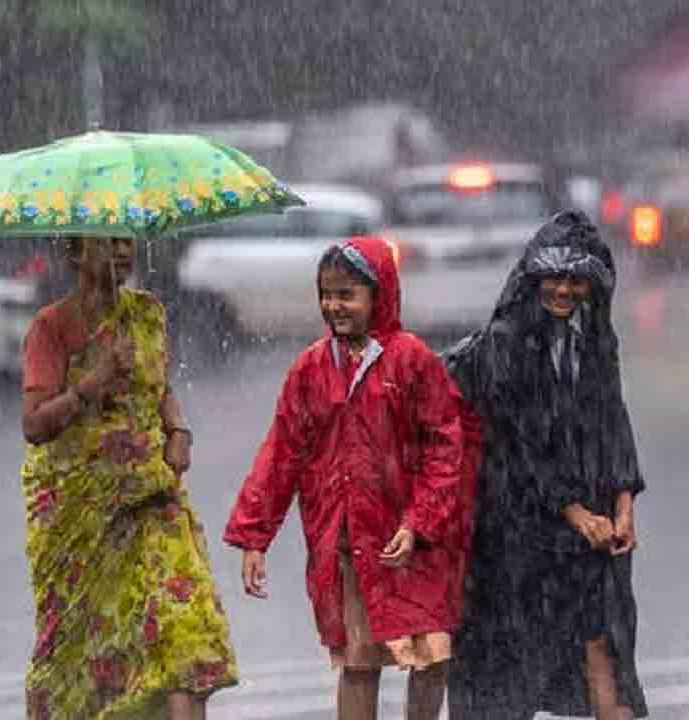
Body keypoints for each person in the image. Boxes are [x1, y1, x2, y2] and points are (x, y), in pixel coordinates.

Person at [223, 236, 467, 720]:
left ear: (380, 295)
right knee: (358, 662)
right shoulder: (311, 369)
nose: (333, 306)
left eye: (346, 294)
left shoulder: (411, 359)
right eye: (326, 294)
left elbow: (445, 447)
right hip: (350, 545)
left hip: (416, 544)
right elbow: (281, 454)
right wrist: (255, 536)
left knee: (430, 656)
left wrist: (419, 521)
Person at [19, 235, 238, 719]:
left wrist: (178, 428)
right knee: (78, 651)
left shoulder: (147, 313)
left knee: (186, 629)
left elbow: (158, 386)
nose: (121, 252)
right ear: (75, 253)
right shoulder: (51, 328)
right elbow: (35, 424)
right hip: (79, 515)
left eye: (126, 241)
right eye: (106, 243)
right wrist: (91, 385)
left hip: (152, 497)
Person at [444, 210, 647, 720]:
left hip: (591, 528)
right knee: (514, 664)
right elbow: (519, 443)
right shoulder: (507, 342)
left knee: (605, 643)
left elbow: (612, 421)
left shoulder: (597, 336)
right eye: (554, 278)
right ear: (534, 278)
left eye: (576, 280)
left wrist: (623, 507)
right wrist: (575, 514)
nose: (564, 291)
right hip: (518, 531)